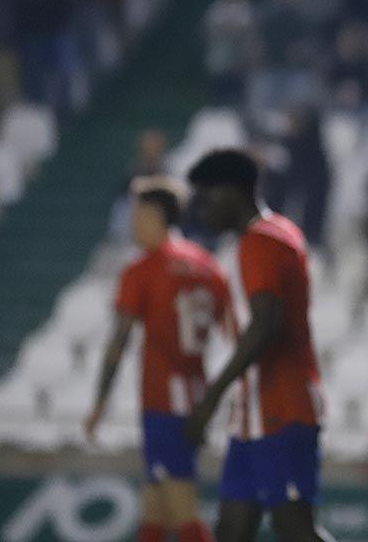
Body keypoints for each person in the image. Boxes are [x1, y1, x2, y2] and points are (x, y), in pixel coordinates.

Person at [183, 149, 331, 542]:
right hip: (254, 412)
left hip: (281, 406)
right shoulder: (277, 232)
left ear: (233, 192)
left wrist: (210, 397)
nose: (200, 208)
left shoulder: (260, 241)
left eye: (206, 195)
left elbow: (265, 324)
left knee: (295, 528)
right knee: (232, 529)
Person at [85, 176, 228, 542]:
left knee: (181, 509)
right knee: (154, 505)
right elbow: (230, 331)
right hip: (195, 395)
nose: (132, 223)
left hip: (164, 399)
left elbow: (119, 341)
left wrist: (100, 402)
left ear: (154, 216)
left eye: (136, 214)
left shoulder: (144, 269)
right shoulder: (208, 266)